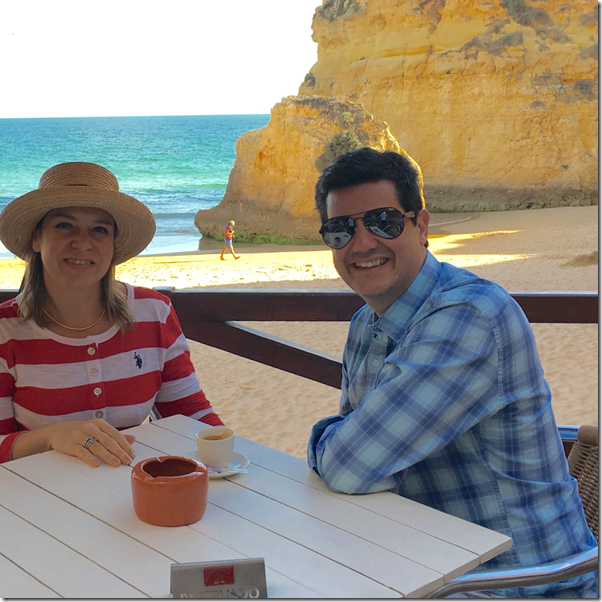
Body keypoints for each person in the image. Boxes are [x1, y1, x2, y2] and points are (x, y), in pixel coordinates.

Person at [307, 148, 597, 598]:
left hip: (522, 582)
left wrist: (328, 440)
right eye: (341, 229)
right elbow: (356, 461)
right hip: (430, 561)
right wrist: (346, 443)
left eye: (383, 221)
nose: (361, 244)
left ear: (421, 226)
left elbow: (348, 466)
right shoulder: (366, 324)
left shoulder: (470, 315)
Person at [0, 162, 224, 468]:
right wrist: (50, 436)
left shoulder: (154, 312)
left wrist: (234, 456)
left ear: (113, 244)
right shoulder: (5, 330)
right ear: (36, 239)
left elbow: (190, 415)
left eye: (100, 229)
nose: (82, 242)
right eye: (64, 225)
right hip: (36, 494)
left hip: (135, 489)